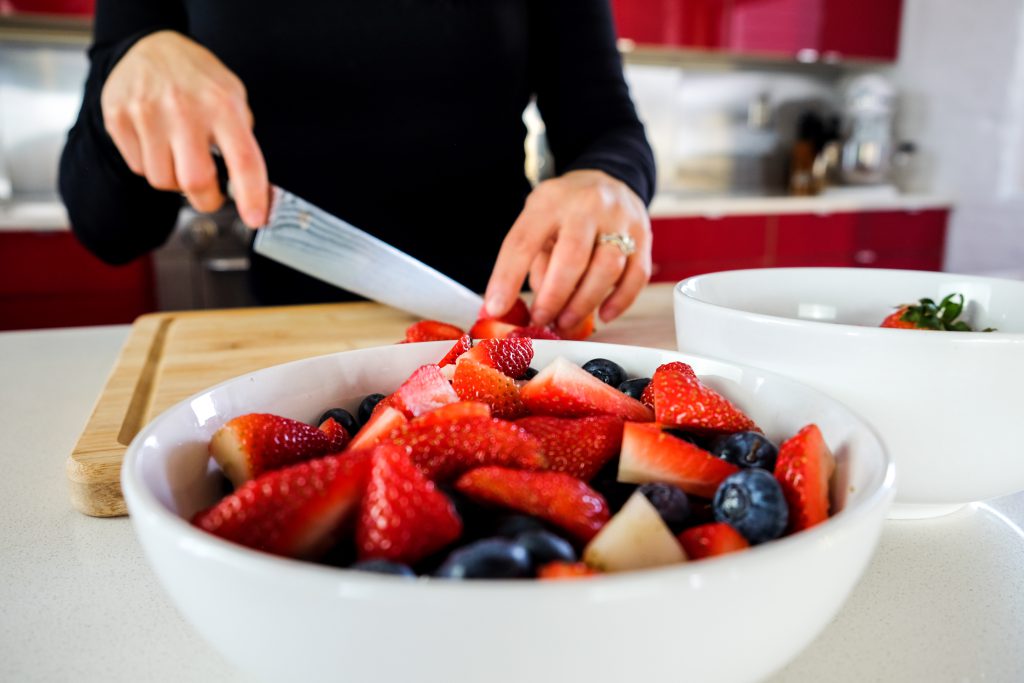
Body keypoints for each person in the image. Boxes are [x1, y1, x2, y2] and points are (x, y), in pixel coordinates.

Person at [60, 1, 655, 332]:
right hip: (289, 342)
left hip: (497, 323)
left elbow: (607, 126)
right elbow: (110, 229)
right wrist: (127, 66)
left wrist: (610, 180)